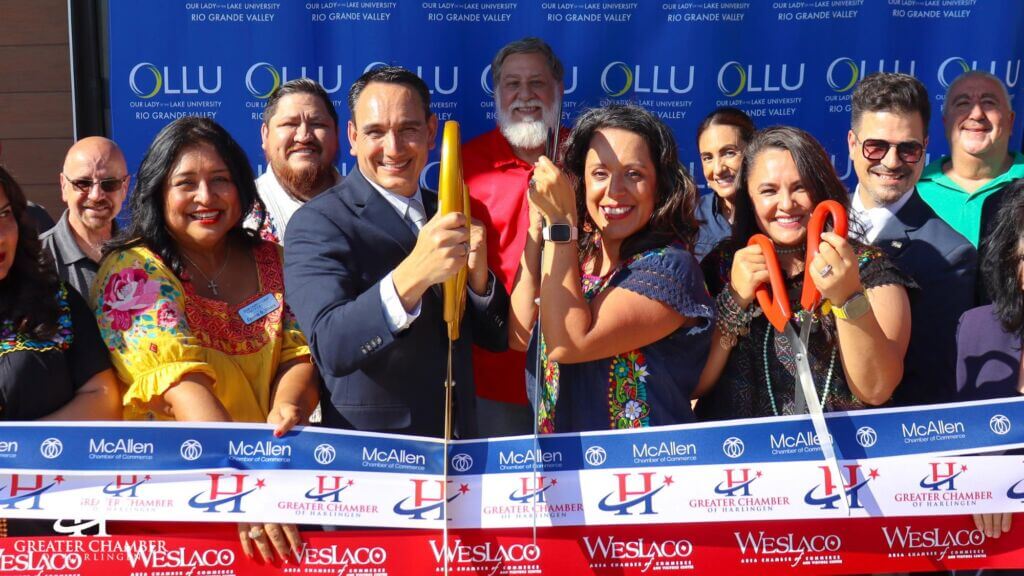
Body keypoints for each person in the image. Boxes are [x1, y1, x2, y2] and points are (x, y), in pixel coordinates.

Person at [93, 117, 318, 562]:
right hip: (175, 511)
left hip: (274, 498)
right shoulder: (131, 272)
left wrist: (289, 404)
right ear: (159, 191)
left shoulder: (273, 259)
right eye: (186, 183)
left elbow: (300, 350)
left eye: (220, 180)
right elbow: (183, 389)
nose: (205, 198)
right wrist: (245, 488)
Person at [285, 66, 509, 439]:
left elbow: (493, 338)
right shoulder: (317, 222)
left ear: (431, 133)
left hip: (462, 445)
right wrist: (415, 273)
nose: (393, 148)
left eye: (407, 129)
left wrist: (479, 283)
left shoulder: (450, 209)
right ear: (353, 138)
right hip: (377, 459)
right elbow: (332, 346)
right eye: (375, 132)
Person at [510, 103, 714, 432]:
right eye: (600, 174)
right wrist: (541, 226)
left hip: (643, 475)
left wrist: (562, 224)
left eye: (634, 174)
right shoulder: (574, 254)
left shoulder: (670, 268)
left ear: (660, 185)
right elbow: (520, 334)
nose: (615, 191)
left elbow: (568, 343)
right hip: (563, 471)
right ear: (579, 182)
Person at [696, 126, 913, 419]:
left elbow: (876, 389)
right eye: (769, 191)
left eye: (800, 187)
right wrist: (734, 300)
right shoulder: (720, 267)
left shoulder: (867, 268)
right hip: (740, 459)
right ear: (748, 196)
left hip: (838, 460)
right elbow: (694, 383)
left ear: (821, 188)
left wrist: (847, 296)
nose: (786, 205)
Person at [0, 166, 121, 537]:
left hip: (53, 523)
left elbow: (104, 397)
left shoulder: (55, 299)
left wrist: (17, 448)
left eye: (4, 215)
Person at [847, 72, 976, 406]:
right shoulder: (812, 224)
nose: (891, 162)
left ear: (925, 149)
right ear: (852, 144)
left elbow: (928, 383)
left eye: (908, 149)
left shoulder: (951, 255)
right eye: (875, 147)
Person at [464, 37, 568, 436]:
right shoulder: (467, 165)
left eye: (537, 83)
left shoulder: (586, 157)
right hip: (495, 377)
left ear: (558, 89)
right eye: (512, 84)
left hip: (580, 365)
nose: (526, 96)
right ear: (497, 92)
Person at [955, 179, 1024, 542]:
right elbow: (956, 439)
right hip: (986, 547)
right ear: (1013, 259)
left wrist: (1010, 483)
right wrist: (980, 482)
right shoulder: (978, 328)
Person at [918, 71, 1023, 248]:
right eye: (963, 103)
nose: (976, 114)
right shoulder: (913, 189)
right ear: (946, 123)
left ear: (1010, 121)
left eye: (989, 103)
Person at [246, 78, 342, 244]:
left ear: (337, 134)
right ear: (265, 135)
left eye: (317, 124)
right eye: (290, 124)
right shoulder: (240, 211)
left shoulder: (369, 207)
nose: (304, 136)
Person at [40, 137, 130, 296]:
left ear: (124, 188)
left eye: (109, 183)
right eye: (83, 183)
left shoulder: (144, 257)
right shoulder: (34, 260)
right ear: (64, 186)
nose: (96, 195)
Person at [694, 107, 755, 261]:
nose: (718, 169)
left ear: (753, 151)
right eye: (707, 158)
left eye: (729, 153)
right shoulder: (691, 216)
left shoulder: (773, 213)